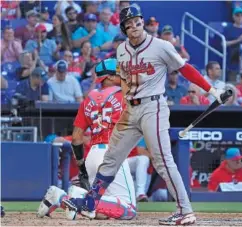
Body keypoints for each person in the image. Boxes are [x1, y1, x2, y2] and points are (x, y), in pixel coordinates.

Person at [63, 4, 231, 226]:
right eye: (129, 24)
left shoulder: (161, 46)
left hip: (154, 107)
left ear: (142, 23)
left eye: (137, 22)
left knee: (162, 160)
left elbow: (185, 69)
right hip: (130, 108)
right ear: (124, 29)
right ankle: (91, 203)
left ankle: (185, 210)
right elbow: (124, 80)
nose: (135, 26)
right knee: (111, 157)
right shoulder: (122, 50)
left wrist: (211, 90)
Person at [37, 58, 137, 220]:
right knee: (129, 210)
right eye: (119, 74)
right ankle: (71, 199)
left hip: (93, 154)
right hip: (112, 153)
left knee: (98, 212)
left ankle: (59, 197)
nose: (123, 77)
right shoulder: (123, 94)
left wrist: (82, 167)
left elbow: (76, 138)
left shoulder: (88, 99)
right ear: (109, 77)